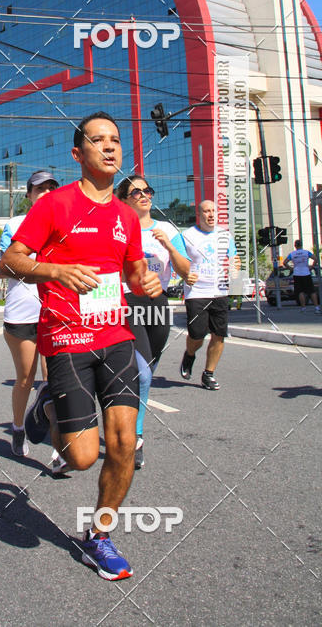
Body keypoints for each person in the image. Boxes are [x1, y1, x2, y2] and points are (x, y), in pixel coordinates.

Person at [1, 111, 162, 581]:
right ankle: (48, 405)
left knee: (124, 444)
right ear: (79, 154)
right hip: (67, 339)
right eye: (98, 140)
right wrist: (57, 271)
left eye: (115, 140)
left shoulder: (125, 217)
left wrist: (146, 280)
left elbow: (132, 272)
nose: (110, 148)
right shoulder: (55, 205)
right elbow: (9, 261)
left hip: (114, 337)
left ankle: (100, 536)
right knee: (81, 457)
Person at [116, 175, 192, 469]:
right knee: (144, 375)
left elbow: (185, 271)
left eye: (147, 190)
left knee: (145, 373)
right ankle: (135, 437)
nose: (143, 195)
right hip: (127, 301)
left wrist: (170, 247)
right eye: (135, 192)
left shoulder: (168, 229)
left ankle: (124, 416)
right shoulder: (119, 228)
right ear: (124, 199)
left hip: (158, 304)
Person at [0, 170, 59, 457]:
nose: (45, 192)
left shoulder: (65, 224)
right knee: (25, 378)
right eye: (39, 188)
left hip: (56, 311)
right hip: (22, 313)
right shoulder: (14, 224)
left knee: (54, 380)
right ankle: (19, 427)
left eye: (50, 187)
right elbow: (7, 266)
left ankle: (59, 448)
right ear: (29, 195)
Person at [180, 200, 239, 390]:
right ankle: (189, 355)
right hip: (196, 292)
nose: (211, 214)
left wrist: (235, 270)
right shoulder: (187, 235)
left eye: (214, 210)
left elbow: (234, 258)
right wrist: (185, 274)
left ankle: (208, 374)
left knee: (219, 335)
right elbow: (179, 261)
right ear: (200, 214)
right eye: (207, 211)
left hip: (220, 291)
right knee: (197, 334)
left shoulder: (224, 235)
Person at [283, 240, 320, 312]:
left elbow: (284, 262)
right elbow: (315, 259)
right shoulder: (306, 252)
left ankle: (303, 308)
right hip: (306, 273)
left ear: (295, 246)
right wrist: (312, 267)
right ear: (301, 245)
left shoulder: (292, 254)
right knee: (311, 291)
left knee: (300, 291)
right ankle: (316, 307)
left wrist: (291, 268)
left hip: (297, 274)